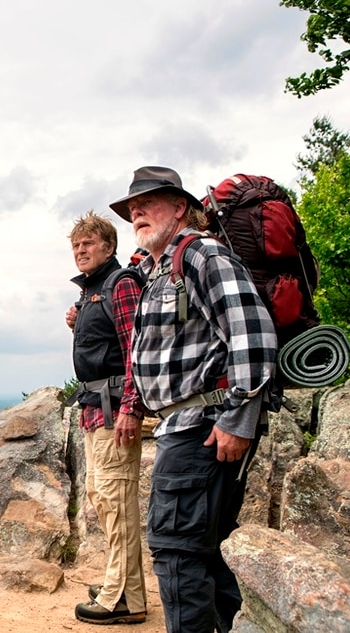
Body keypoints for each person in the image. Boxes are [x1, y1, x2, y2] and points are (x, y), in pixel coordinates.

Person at [108, 166, 277, 633]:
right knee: (206, 550)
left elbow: (253, 336)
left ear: (180, 207)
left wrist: (238, 419)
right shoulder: (159, 269)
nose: (136, 212)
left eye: (148, 203)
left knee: (176, 551)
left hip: (202, 428)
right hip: (185, 426)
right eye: (131, 209)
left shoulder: (203, 255)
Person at [65, 211, 148, 626]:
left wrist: (132, 407)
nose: (80, 250)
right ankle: (128, 591)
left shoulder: (121, 284)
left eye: (88, 243)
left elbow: (136, 350)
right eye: (76, 245)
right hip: (96, 408)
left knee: (116, 503)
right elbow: (104, 347)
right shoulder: (93, 292)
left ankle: (121, 599)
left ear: (109, 247)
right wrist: (78, 324)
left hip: (116, 409)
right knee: (103, 498)